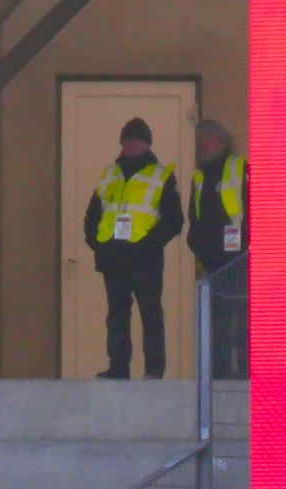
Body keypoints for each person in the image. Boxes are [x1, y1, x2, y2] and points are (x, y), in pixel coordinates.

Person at [84, 117, 183, 380]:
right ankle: (118, 367)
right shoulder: (110, 175)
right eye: (127, 141)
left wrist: (146, 246)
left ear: (148, 144)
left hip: (145, 260)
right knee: (117, 314)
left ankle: (154, 369)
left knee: (150, 313)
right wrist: (99, 245)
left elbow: (174, 221)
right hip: (113, 258)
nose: (131, 145)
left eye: (137, 141)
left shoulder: (161, 176)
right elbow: (93, 214)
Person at [186, 119, 246, 379]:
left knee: (242, 316)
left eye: (206, 140)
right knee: (217, 319)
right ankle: (219, 371)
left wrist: (246, 245)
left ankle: (244, 369)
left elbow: (253, 209)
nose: (202, 145)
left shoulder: (240, 169)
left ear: (221, 141)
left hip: (239, 259)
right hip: (211, 261)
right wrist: (197, 244)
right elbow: (195, 215)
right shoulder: (200, 176)